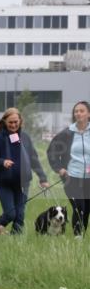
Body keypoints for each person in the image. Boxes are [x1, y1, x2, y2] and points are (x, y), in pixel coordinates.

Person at [0, 107, 49, 234]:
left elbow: (34, 159)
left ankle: (15, 241)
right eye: (10, 122)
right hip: (4, 183)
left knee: (20, 216)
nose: (13, 125)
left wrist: (43, 178)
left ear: (20, 121)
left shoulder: (25, 137)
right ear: (4, 121)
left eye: (16, 122)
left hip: (23, 182)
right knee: (10, 214)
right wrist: (2, 162)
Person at [47, 100, 90, 238]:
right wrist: (59, 169)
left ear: (88, 114)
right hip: (71, 177)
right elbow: (52, 151)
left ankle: (81, 236)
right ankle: (77, 237)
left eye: (82, 111)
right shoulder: (66, 133)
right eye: (76, 111)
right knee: (79, 207)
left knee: (86, 209)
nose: (78, 113)